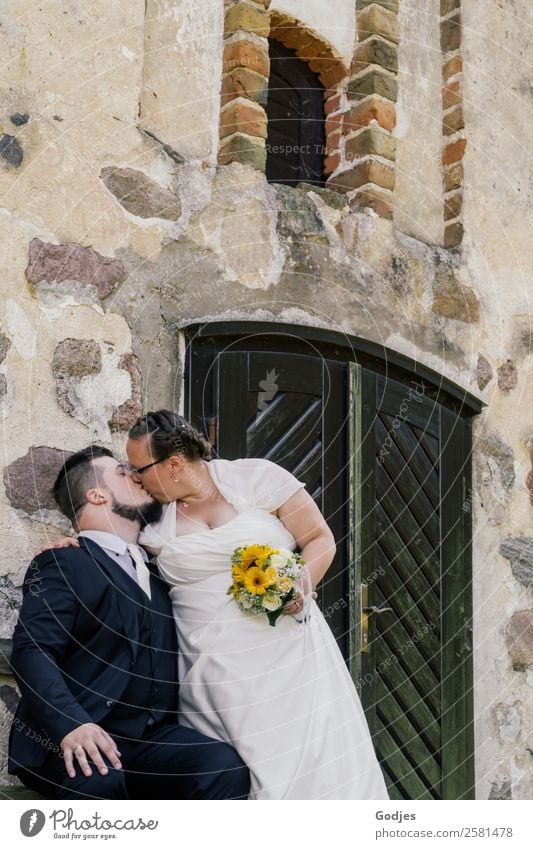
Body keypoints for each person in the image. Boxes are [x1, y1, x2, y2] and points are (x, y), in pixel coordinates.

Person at [125, 410, 390, 800]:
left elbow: (319, 538)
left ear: (174, 464)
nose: (133, 477)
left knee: (316, 763)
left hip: (290, 655)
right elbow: (107, 543)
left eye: (139, 468)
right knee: (243, 774)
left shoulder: (256, 478)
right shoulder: (149, 513)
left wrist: (300, 583)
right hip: (212, 667)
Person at [8, 445, 250, 800]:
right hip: (73, 736)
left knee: (221, 766)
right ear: (96, 494)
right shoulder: (64, 562)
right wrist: (71, 725)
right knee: (100, 781)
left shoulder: (162, 569)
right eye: (123, 473)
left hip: (149, 739)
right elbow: (33, 649)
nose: (137, 476)